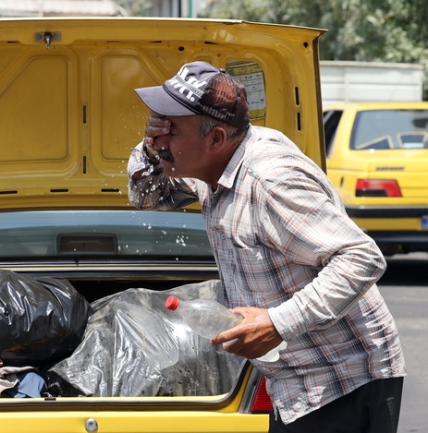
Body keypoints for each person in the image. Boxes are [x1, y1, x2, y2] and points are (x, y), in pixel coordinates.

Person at [127, 61, 406, 432]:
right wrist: (150, 147)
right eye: (158, 124)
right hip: (296, 384)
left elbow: (362, 258)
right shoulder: (213, 168)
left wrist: (277, 323)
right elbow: (148, 196)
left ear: (216, 139)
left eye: (171, 129)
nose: (161, 137)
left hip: (343, 380)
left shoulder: (270, 181)